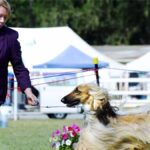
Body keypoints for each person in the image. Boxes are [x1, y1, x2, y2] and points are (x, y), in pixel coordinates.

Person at [0, 0, 38, 106]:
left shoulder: (10, 37)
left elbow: (19, 68)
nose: (2, 20)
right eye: (0, 16)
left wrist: (28, 92)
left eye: (5, 17)